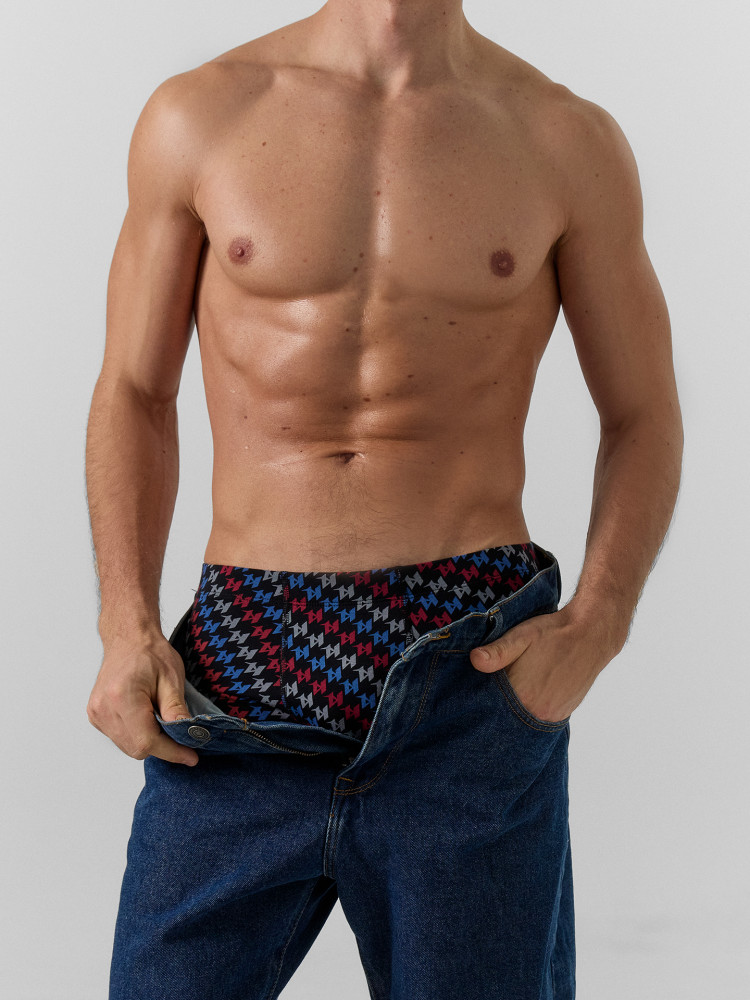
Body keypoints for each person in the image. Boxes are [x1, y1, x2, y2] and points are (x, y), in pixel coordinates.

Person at [84, 2, 683, 997]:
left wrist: (600, 621)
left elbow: (644, 412)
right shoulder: (202, 114)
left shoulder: (562, 139)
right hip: (241, 662)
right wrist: (123, 623)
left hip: (472, 664)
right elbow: (135, 391)